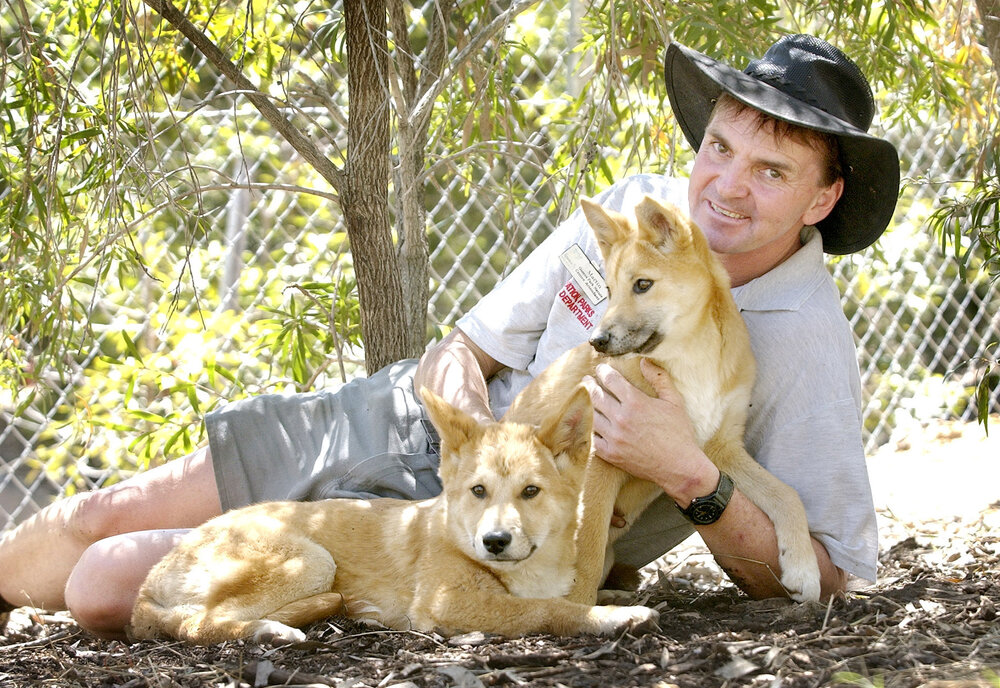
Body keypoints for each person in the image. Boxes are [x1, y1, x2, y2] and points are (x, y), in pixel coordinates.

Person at [0, 34, 899, 639]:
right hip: (416, 427)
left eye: (772, 170)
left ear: (822, 200)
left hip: (499, 525)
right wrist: (458, 394)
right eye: (720, 148)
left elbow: (827, 579)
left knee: (106, 581)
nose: (726, 187)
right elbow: (465, 346)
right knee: (102, 514)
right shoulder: (636, 213)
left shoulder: (803, 341)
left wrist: (689, 476)